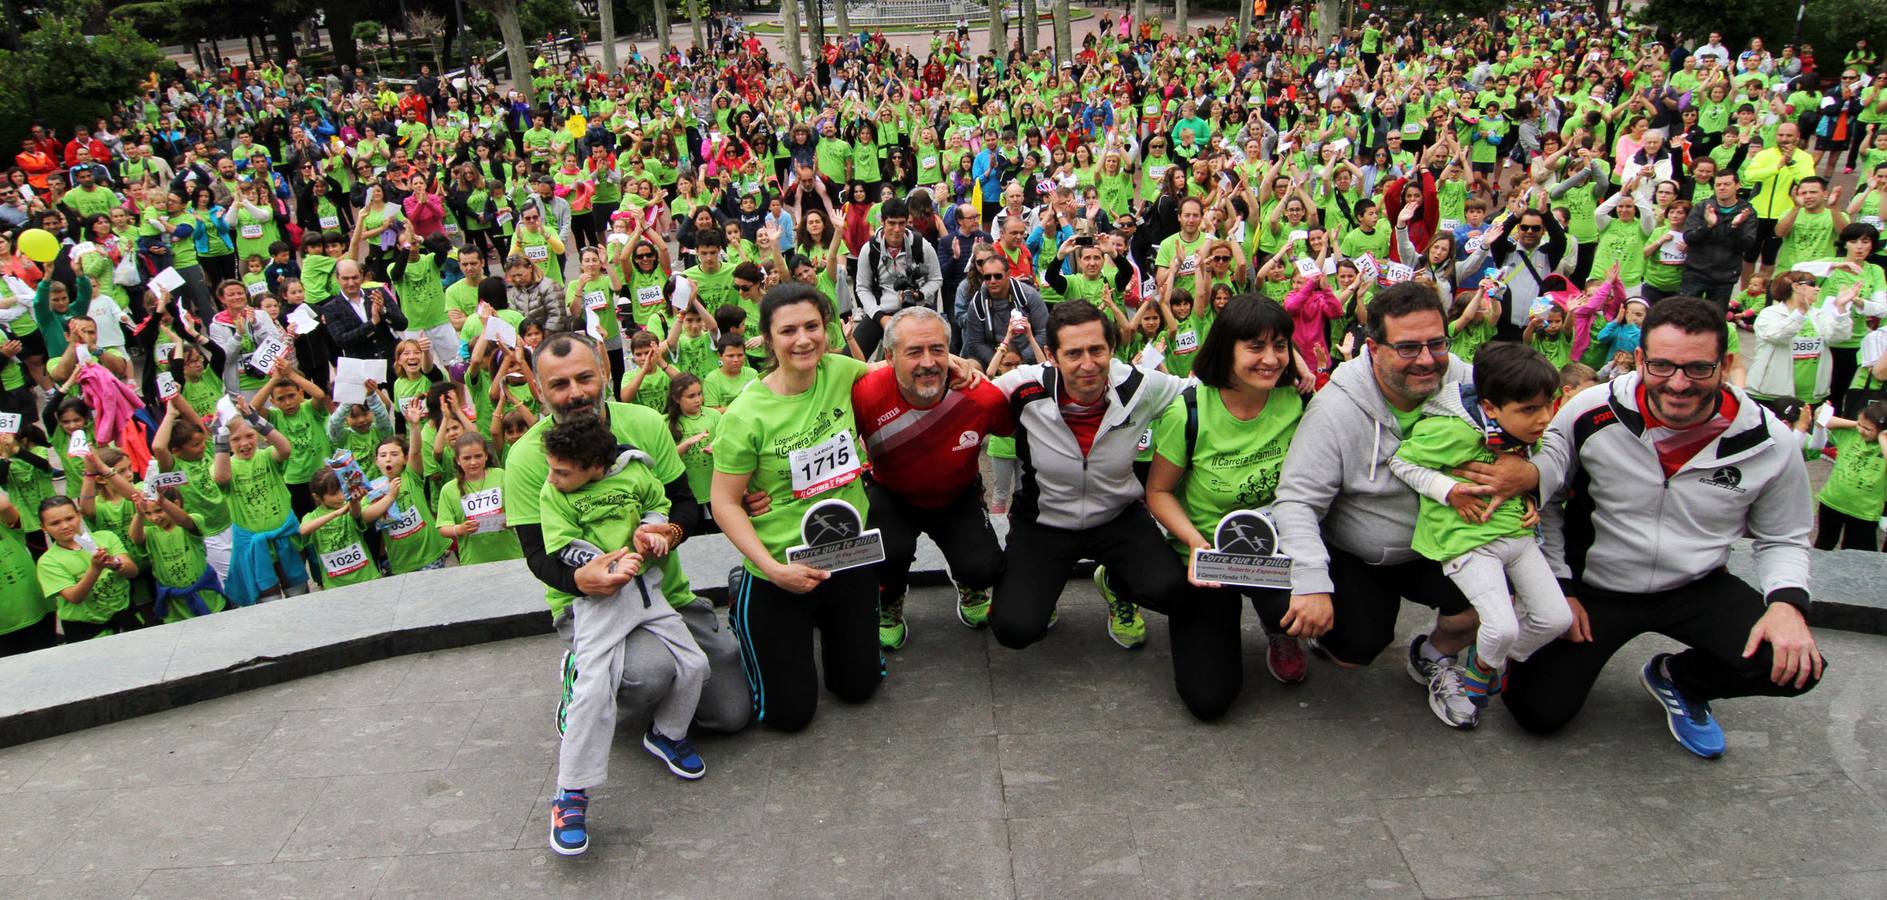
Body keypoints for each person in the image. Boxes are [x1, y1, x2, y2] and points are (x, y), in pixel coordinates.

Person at [1513, 297, 1824, 759]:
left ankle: (1679, 678)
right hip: (1595, 587)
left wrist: (1786, 604)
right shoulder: (1588, 412)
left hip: (1695, 584)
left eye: (1698, 369)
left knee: (1794, 666)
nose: (1678, 383)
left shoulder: (1770, 441)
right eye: (1661, 366)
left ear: (1726, 364)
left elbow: (1785, 536)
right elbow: (1549, 502)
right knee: (1537, 712)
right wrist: (1559, 585)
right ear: (1639, 359)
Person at [1273, 283, 1542, 729]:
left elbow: (1543, 424)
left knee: (1495, 603)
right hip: (1365, 553)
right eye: (1408, 347)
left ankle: (1433, 654)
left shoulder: (1472, 382)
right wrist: (1311, 581)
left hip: (1449, 541)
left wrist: (1532, 476)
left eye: (1437, 343)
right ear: (1374, 348)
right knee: (1353, 652)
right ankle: (1345, 630)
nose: (1426, 358)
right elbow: (1298, 499)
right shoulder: (1334, 410)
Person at [503, 332, 750, 748]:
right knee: (650, 674)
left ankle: (658, 671)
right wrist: (581, 580)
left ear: (604, 373)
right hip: (591, 605)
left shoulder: (645, 424)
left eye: (584, 378)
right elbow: (536, 554)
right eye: (559, 385)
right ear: (539, 391)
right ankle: (584, 672)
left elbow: (685, 505)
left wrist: (668, 534)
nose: (576, 393)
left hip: (663, 593)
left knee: (730, 715)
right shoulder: (527, 457)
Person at [711, 284, 883, 731]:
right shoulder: (745, 415)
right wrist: (770, 567)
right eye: (788, 331)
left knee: (858, 688)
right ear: (768, 340)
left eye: (812, 326)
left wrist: (960, 365)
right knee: (789, 716)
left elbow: (900, 372)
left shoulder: (842, 372)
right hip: (781, 567)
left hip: (848, 552)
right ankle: (743, 598)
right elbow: (725, 503)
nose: (803, 339)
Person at [539, 414, 707, 858]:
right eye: (552, 469)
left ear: (596, 465)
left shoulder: (635, 470)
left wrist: (654, 532)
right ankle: (570, 794)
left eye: (562, 471)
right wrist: (605, 563)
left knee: (695, 664)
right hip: (599, 601)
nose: (553, 478)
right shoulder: (553, 493)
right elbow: (560, 544)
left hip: (649, 591)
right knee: (595, 692)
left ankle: (666, 733)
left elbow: (660, 506)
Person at [1143, 295, 1311, 720]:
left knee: (1333, 622)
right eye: (1255, 347)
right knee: (1209, 699)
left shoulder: (1296, 400)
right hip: (1210, 557)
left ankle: (1279, 628)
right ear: (1227, 348)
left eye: (1280, 346)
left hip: (1277, 549)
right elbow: (1158, 493)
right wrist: (1197, 544)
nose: (1270, 359)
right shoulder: (1191, 410)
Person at [1388, 342, 1574, 727]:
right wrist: (1448, 490)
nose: (1543, 419)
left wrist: (1528, 493)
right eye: (1529, 410)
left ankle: (1486, 662)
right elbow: (1401, 462)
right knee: (1501, 626)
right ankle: (1479, 674)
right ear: (1490, 408)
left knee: (1555, 619)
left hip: (1518, 537)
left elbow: (1531, 468)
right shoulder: (1453, 432)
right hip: (1467, 541)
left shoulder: (1524, 428)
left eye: (1548, 405)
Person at [987, 300, 1189, 651]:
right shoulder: (1024, 386)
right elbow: (972, 396)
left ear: (1112, 348)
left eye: (1097, 350)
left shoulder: (1139, 385)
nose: (1088, 364)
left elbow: (1201, 391)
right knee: (1014, 628)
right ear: (1051, 355)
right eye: (1074, 353)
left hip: (1117, 516)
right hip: (1045, 521)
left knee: (1171, 591)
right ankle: (1042, 591)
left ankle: (1115, 582)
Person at [852, 307, 1013, 648]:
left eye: (937, 350)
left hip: (957, 494)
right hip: (890, 492)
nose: (928, 362)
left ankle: (968, 583)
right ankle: (890, 598)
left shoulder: (980, 396)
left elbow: (1025, 432)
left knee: (985, 567)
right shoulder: (864, 392)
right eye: (914, 352)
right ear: (890, 356)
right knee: (883, 555)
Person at [851, 197, 943, 358]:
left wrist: (920, 294)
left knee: (916, 356)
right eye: (892, 223)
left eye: (902, 223)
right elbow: (862, 287)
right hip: (881, 311)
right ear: (882, 222)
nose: (897, 229)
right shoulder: (870, 249)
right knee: (850, 357)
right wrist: (879, 317)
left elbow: (936, 278)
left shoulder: (921, 246)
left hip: (915, 310)